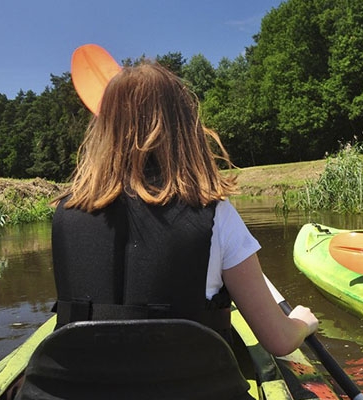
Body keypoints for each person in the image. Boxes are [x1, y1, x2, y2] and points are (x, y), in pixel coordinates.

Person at [50, 63, 318, 359]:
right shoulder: (215, 214)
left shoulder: (65, 213)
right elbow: (279, 341)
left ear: (103, 129)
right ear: (184, 125)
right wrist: (302, 323)